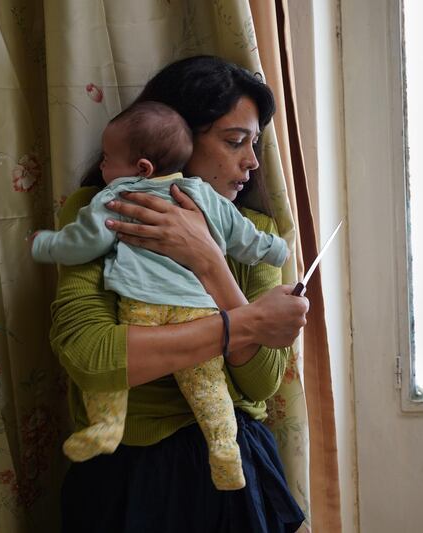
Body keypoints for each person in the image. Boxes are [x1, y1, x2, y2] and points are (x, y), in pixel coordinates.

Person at [52, 55, 308, 532]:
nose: (251, 161)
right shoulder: (101, 212)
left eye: (254, 144)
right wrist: (245, 323)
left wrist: (209, 260)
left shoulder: (255, 233)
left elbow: (261, 382)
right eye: (235, 142)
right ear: (175, 138)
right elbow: (89, 356)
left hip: (235, 466)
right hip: (130, 470)